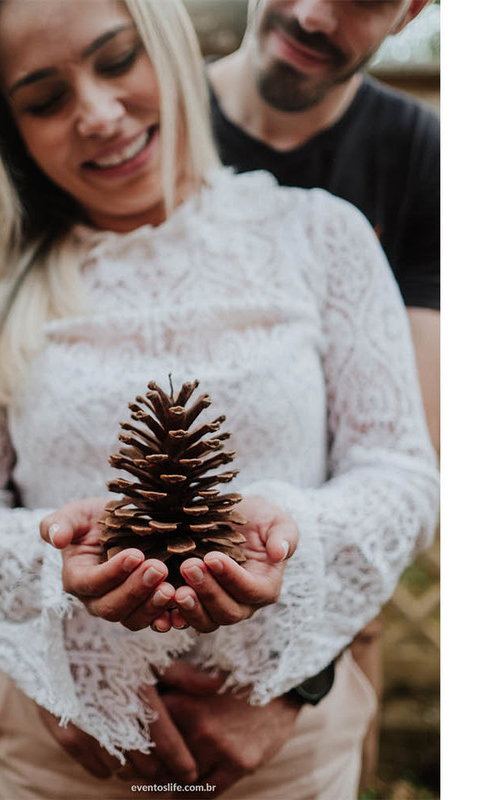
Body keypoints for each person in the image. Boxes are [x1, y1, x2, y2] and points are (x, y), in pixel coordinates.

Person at [0, 1, 438, 797]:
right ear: (7, 129)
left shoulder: (324, 238)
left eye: (118, 60)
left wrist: (289, 662)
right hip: (63, 754)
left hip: (285, 749)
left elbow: (401, 475)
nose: (98, 113)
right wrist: (63, 622)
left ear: (168, 45)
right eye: (46, 100)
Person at [207, 0, 439, 784]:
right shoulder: (144, 122)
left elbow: (410, 446)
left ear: (411, 14)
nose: (312, 13)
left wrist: (299, 680)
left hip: (333, 608)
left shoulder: (418, 155)